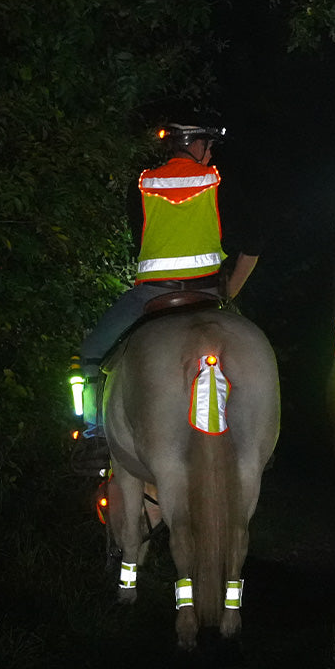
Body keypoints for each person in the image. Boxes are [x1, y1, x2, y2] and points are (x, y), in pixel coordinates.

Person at [73, 122, 261, 458]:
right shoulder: (218, 182)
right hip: (208, 296)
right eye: (209, 145)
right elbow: (253, 246)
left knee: (90, 353)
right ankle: (258, 434)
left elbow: (139, 243)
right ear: (196, 146)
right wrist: (228, 293)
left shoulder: (143, 186)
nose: (211, 153)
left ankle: (95, 435)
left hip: (151, 297)